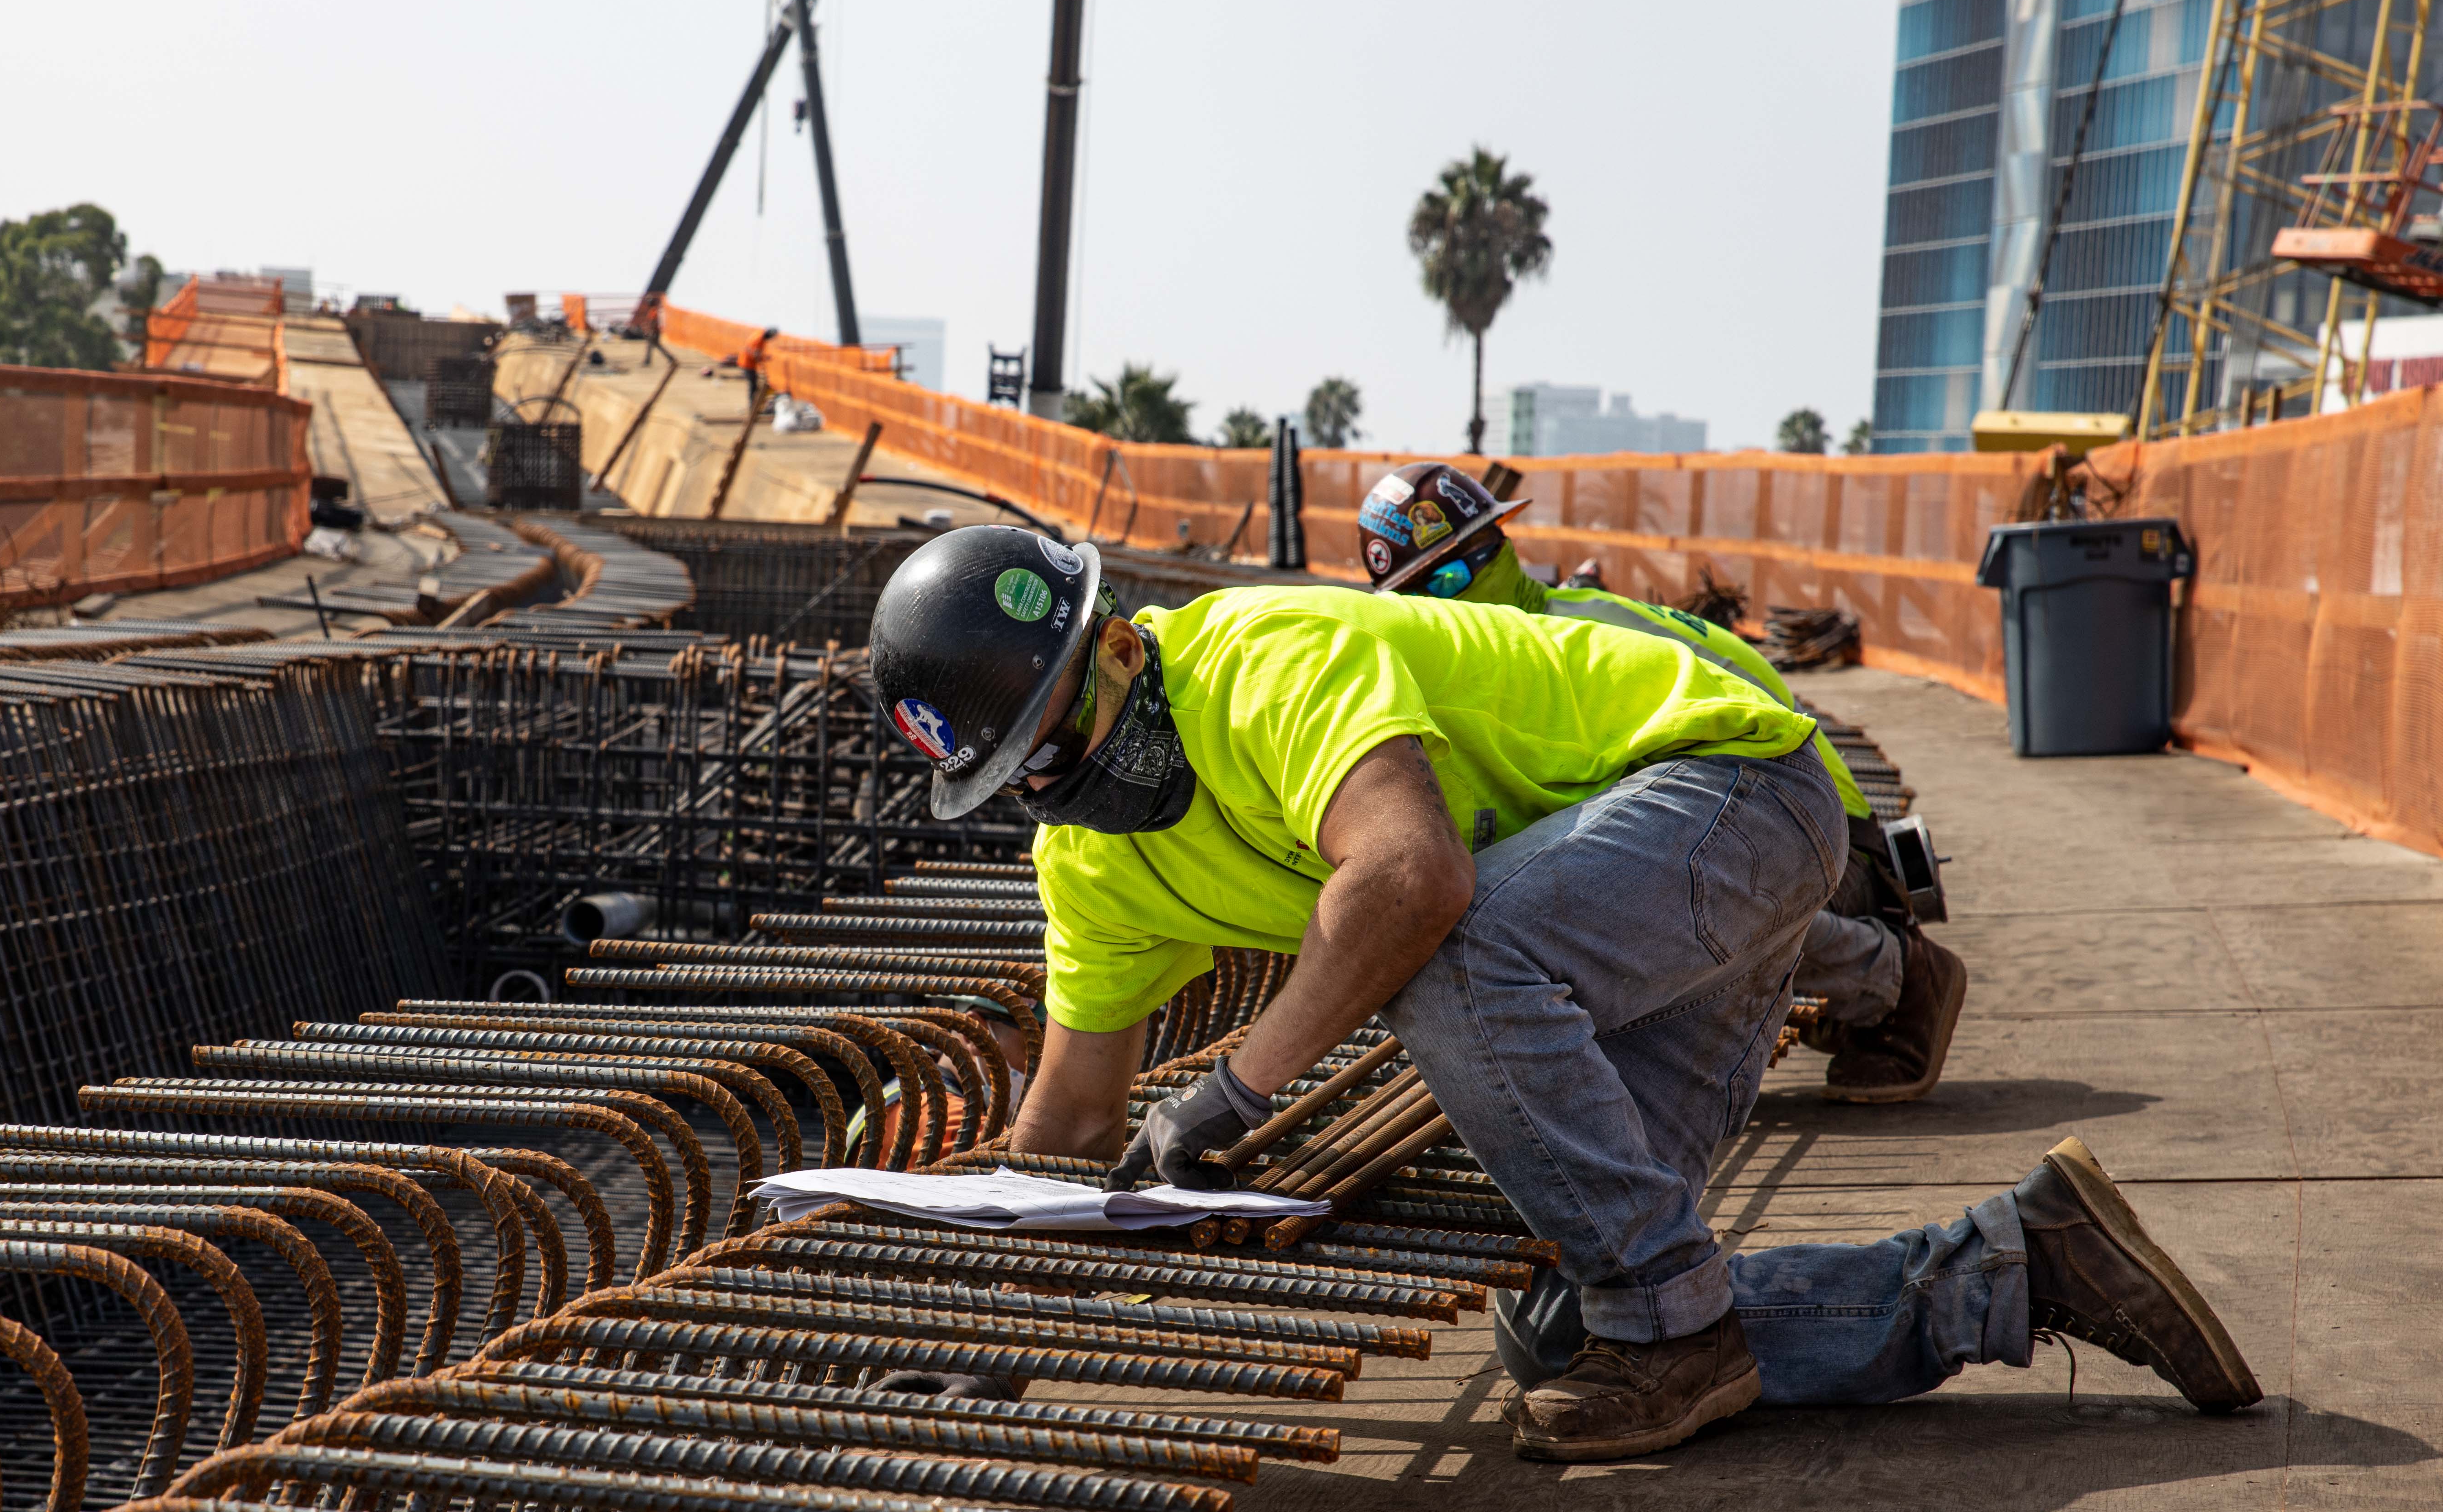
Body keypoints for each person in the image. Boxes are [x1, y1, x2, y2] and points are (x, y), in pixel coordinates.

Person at [866, 521, 2259, 1461]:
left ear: (1115, 645)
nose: (1065, 787)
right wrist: (988, 1336)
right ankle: (2016, 1267)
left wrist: (1236, 1093)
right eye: (1026, 777)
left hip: (1731, 799)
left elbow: (1410, 881)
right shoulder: (1092, 863)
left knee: (1450, 962)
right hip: (1634, 928)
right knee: (1572, 1323)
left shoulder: (1258, 661)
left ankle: (1687, 1323)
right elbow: (1063, 1126)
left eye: (1064, 739)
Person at [1357, 462, 1964, 1102]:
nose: (1434, 609)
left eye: (1450, 580)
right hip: (1764, 832)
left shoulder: (1579, 638)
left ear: (1497, 551)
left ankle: (1899, 977)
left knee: (1631, 887)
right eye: (1413, 598)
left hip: (1828, 846)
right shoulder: (1518, 649)